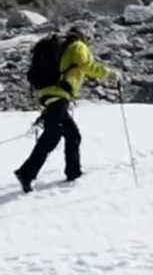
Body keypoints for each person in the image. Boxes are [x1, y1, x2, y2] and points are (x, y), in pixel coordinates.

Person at [14, 25, 120, 193]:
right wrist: (108, 74)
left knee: (72, 135)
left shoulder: (62, 47)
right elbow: (86, 65)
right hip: (59, 94)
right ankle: (26, 173)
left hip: (49, 93)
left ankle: (73, 173)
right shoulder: (78, 45)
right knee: (53, 135)